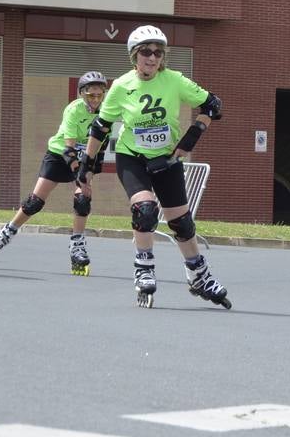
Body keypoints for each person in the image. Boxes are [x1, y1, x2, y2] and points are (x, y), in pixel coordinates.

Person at [79, 25, 228, 309]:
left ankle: (199, 275)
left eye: (158, 53)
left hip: (167, 158)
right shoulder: (121, 86)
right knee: (145, 210)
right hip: (131, 156)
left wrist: (191, 137)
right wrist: (86, 164)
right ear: (134, 55)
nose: (152, 58)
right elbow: (101, 127)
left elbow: (213, 105)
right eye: (146, 52)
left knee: (182, 224)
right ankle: (144, 268)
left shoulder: (174, 80)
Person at [0, 71, 111, 275]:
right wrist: (79, 171)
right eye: (90, 95)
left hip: (86, 157)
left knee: (83, 199)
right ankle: (7, 232)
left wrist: (89, 172)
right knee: (35, 202)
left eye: (99, 95)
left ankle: (77, 244)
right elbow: (68, 149)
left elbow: (101, 146)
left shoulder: (106, 113)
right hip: (60, 155)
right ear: (81, 95)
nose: (95, 99)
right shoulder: (74, 110)